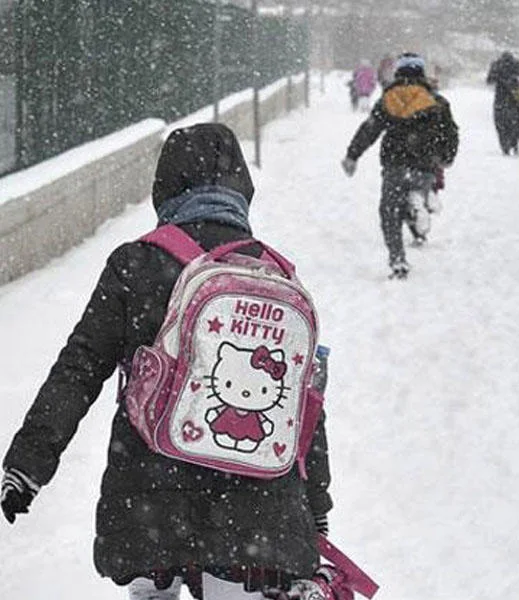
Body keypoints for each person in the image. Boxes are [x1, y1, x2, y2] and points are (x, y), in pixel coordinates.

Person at [0, 123, 333, 599]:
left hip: (149, 497)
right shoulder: (274, 276)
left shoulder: (135, 264)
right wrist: (315, 503)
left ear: (165, 186)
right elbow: (305, 407)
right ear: (242, 189)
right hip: (255, 509)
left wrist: (28, 465)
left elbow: (79, 368)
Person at [340, 52, 459, 280]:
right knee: (415, 192)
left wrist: (352, 155)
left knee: (389, 211)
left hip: (395, 164)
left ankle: (398, 260)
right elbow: (450, 133)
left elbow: (370, 129)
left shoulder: (388, 99)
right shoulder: (437, 102)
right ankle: (420, 203)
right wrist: (446, 157)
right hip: (425, 165)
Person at [486, 51, 519, 156]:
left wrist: (499, 79)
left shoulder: (497, 65)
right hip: (514, 98)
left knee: (501, 124)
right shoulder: (517, 65)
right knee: (515, 122)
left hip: (500, 99)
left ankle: (505, 146)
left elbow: (489, 80)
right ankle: (516, 142)